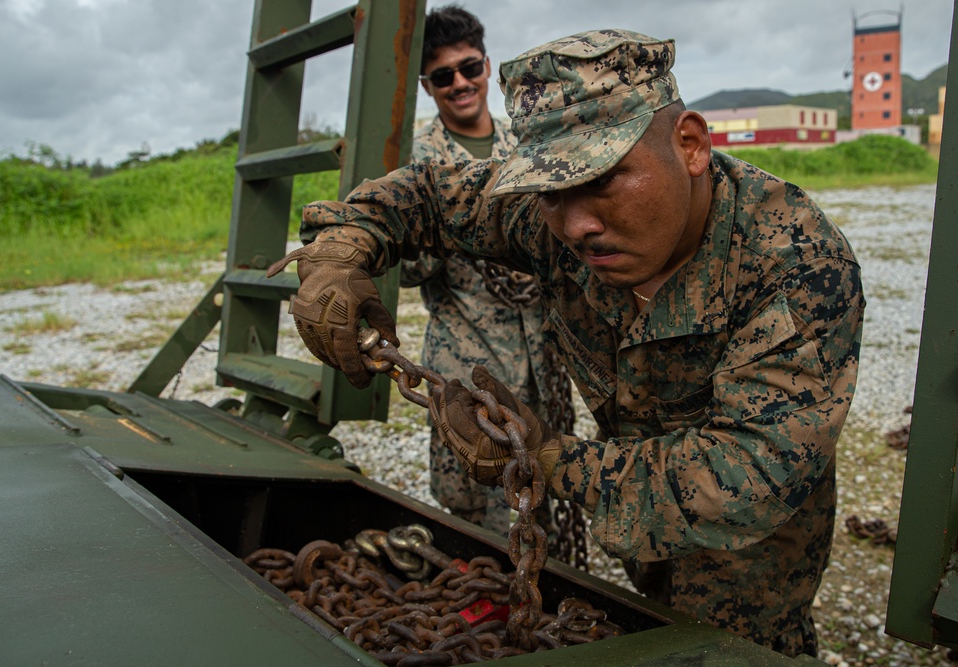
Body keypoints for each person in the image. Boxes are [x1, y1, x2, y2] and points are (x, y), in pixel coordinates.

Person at [272, 29, 864, 658]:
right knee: (647, 624)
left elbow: (745, 477)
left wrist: (547, 458)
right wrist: (344, 245)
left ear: (689, 145)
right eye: (553, 191)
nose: (577, 224)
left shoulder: (796, 265)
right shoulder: (550, 218)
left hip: (751, 557)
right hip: (636, 519)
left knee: (738, 648)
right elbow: (427, 194)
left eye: (604, 179)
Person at [402, 5, 568, 535]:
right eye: (443, 76)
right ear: (427, 86)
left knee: (541, 478)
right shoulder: (417, 162)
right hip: (465, 354)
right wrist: (444, 223)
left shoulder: (527, 145)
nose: (460, 83)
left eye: (469, 68)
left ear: (487, 66)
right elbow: (406, 269)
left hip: (541, 357)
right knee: (469, 495)